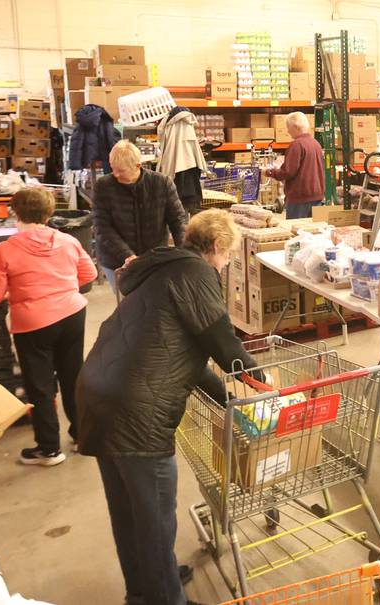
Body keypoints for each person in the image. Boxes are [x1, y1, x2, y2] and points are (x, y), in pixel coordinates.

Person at [76, 209, 264, 605]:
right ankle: (166, 598)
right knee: (156, 513)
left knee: (128, 511)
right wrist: (261, 381)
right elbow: (220, 340)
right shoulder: (197, 274)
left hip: (97, 393)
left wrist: (229, 399)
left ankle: (146, 587)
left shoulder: (159, 273)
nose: (226, 263)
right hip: (136, 409)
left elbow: (186, 355)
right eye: (227, 255)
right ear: (214, 247)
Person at [0, 188, 97, 466]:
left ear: (16, 212)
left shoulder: (5, 250)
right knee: (72, 377)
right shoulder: (67, 241)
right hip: (71, 314)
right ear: (49, 213)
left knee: (41, 385)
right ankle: (82, 437)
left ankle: (49, 449)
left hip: (32, 322)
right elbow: (89, 274)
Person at [92, 140, 187, 291]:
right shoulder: (103, 186)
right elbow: (101, 226)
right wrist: (127, 255)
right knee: (128, 306)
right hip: (116, 260)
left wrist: (184, 251)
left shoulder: (162, 183)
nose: (115, 174)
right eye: (113, 168)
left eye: (121, 171)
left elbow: (178, 220)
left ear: (138, 166)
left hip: (154, 257)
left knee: (155, 302)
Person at [264, 111, 325, 219]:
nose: (287, 131)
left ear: (296, 127)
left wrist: (269, 172)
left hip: (299, 199)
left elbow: (288, 172)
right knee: (313, 233)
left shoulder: (297, 145)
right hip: (316, 198)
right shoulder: (316, 144)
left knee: (296, 232)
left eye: (288, 127)